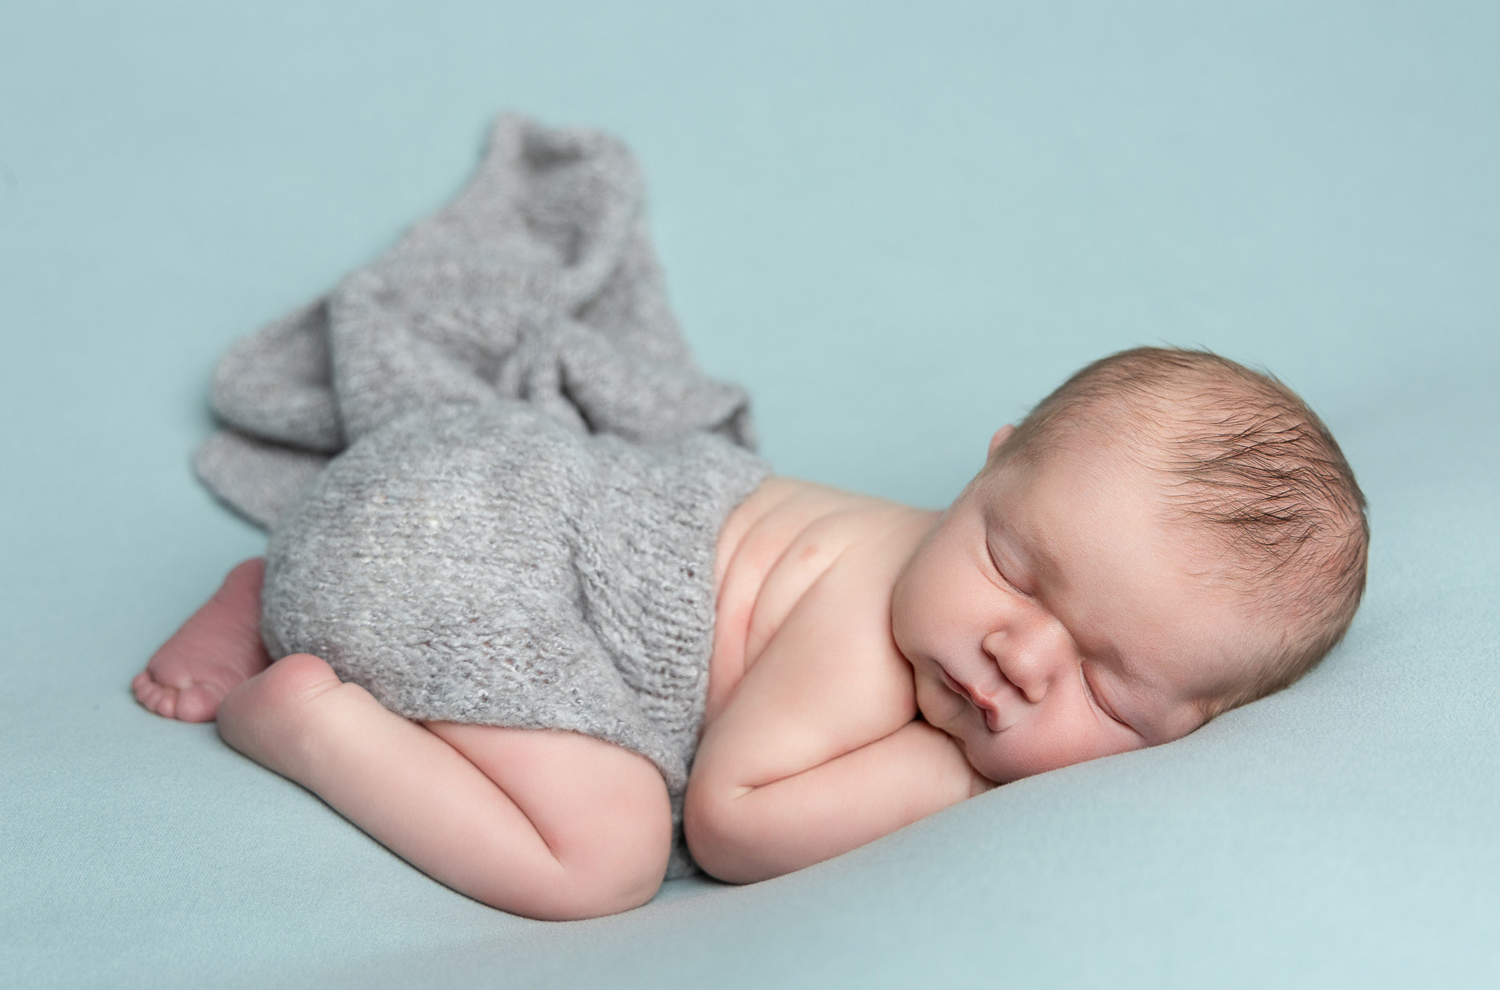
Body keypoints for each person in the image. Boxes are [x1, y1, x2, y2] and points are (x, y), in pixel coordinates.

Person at [133, 346, 1368, 921]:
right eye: (1012, 566)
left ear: (1191, 726)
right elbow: (732, 818)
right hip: (460, 536)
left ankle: (270, 581)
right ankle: (307, 713)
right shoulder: (869, 614)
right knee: (605, 854)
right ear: (985, 472)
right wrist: (943, 768)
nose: (1019, 657)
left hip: (426, 507)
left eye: (1107, 684)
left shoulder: (966, 603)